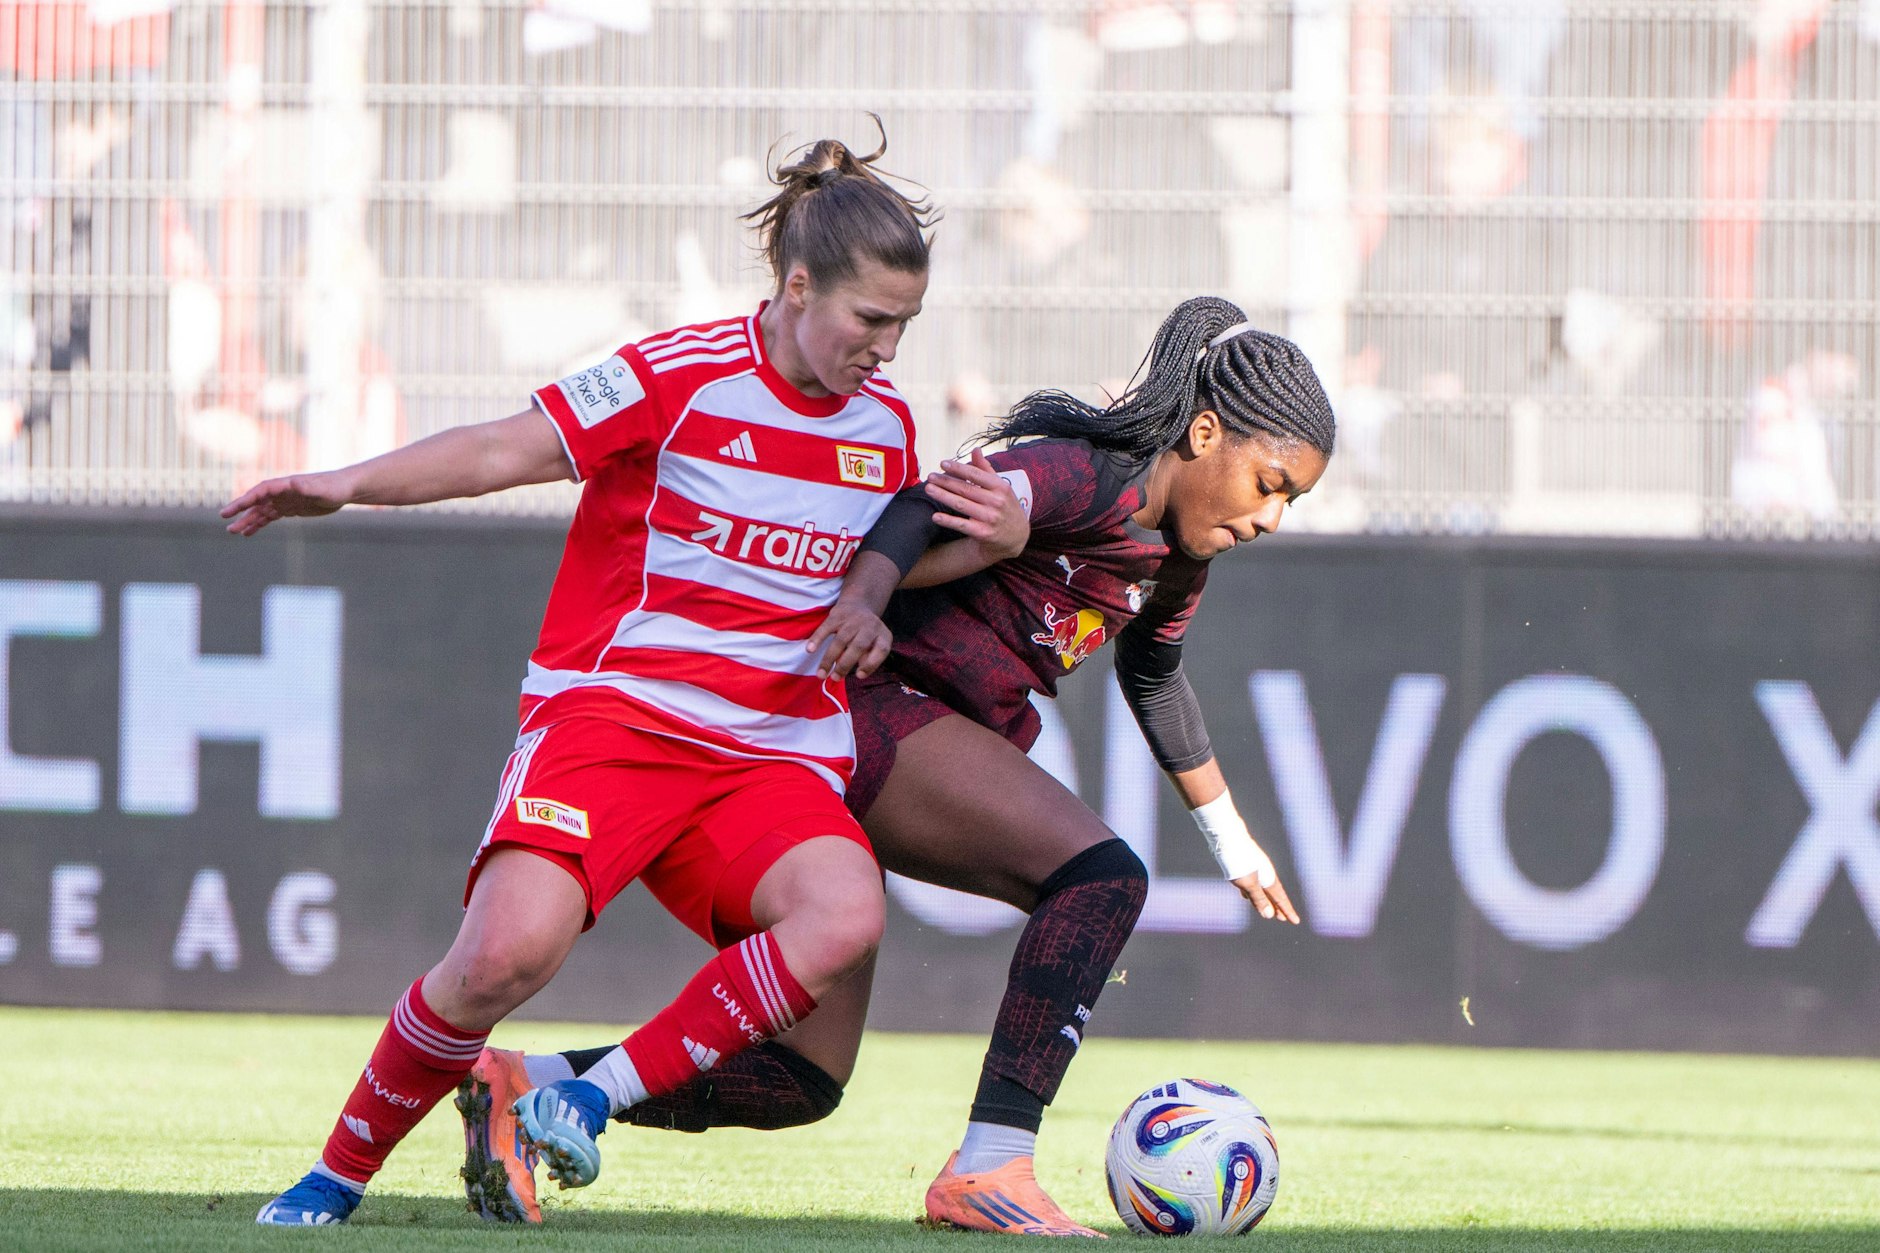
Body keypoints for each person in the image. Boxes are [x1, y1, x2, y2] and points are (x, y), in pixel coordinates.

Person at [476, 296, 1335, 1236]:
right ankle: (991, 1164)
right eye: (1270, 483)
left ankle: (529, 1082)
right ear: (1205, 435)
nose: (1274, 516)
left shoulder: (1177, 560)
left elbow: (1156, 675)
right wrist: (864, 603)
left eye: (1291, 499)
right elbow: (916, 504)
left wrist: (1233, 840)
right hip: (866, 704)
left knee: (800, 1078)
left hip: (895, 725)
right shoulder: (1086, 476)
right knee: (1100, 877)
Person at [233, 129, 938, 1226]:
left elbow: (890, 552)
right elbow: (497, 450)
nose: (886, 349)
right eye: (872, 319)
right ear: (798, 286)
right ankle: (338, 1171)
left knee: (845, 911)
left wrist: (895, 593)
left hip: (769, 752)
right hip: (617, 721)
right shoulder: (675, 374)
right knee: (501, 956)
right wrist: (344, 481)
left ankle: (582, 1098)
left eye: (904, 325)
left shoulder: (885, 429)